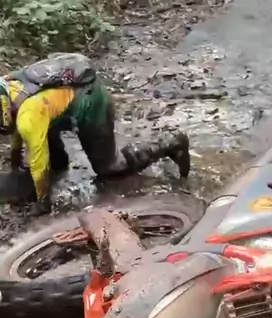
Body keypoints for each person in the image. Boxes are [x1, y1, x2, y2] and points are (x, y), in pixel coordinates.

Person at [0, 53, 189, 213]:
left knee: (110, 168)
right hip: (55, 104)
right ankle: (60, 163)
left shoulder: (27, 117)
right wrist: (15, 163)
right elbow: (18, 130)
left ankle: (171, 142)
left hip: (91, 101)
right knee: (54, 159)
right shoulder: (9, 87)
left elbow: (38, 164)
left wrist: (42, 201)